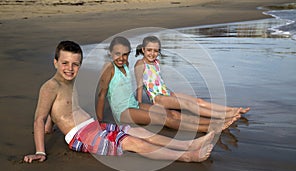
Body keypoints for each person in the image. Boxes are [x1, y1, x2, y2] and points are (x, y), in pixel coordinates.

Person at [23, 40, 216, 163]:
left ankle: (189, 144)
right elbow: (39, 118)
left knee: (138, 131)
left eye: (75, 64)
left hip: (93, 126)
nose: (70, 68)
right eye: (64, 63)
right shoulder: (50, 86)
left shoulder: (71, 82)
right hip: (80, 136)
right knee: (132, 142)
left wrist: (50, 126)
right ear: (55, 62)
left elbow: (54, 112)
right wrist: (41, 151)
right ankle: (187, 156)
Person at [96, 36, 235, 133]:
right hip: (123, 112)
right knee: (163, 118)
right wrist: (99, 122)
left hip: (134, 104)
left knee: (170, 113)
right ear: (110, 53)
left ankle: (211, 122)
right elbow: (102, 95)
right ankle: (207, 128)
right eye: (117, 54)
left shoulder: (125, 65)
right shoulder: (109, 68)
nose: (121, 57)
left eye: (125, 54)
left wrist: (139, 103)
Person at [134, 35, 250, 119]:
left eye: (156, 51)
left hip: (166, 93)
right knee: (188, 105)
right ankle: (222, 116)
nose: (152, 54)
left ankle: (230, 109)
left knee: (198, 100)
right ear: (143, 49)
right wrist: (139, 105)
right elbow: (140, 85)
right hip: (157, 98)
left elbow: (158, 81)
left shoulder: (156, 62)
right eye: (149, 50)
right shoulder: (140, 64)